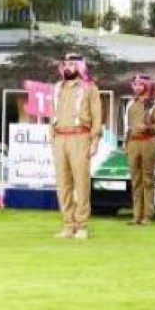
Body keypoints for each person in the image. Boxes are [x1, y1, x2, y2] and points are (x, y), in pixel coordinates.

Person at [50, 52, 103, 239]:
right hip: (60, 137)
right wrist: (52, 138)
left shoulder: (90, 88)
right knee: (63, 184)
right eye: (65, 63)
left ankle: (82, 226)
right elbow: (53, 114)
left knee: (81, 183)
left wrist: (94, 141)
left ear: (80, 66)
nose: (67, 67)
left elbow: (97, 116)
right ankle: (68, 225)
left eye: (72, 64)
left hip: (80, 137)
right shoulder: (58, 88)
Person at [125, 73, 155, 225]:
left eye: (139, 84)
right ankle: (136, 215)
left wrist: (148, 127)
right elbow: (128, 126)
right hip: (133, 142)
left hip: (148, 142)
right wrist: (126, 143)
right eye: (135, 84)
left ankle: (148, 214)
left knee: (147, 179)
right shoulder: (130, 104)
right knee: (135, 180)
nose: (136, 87)